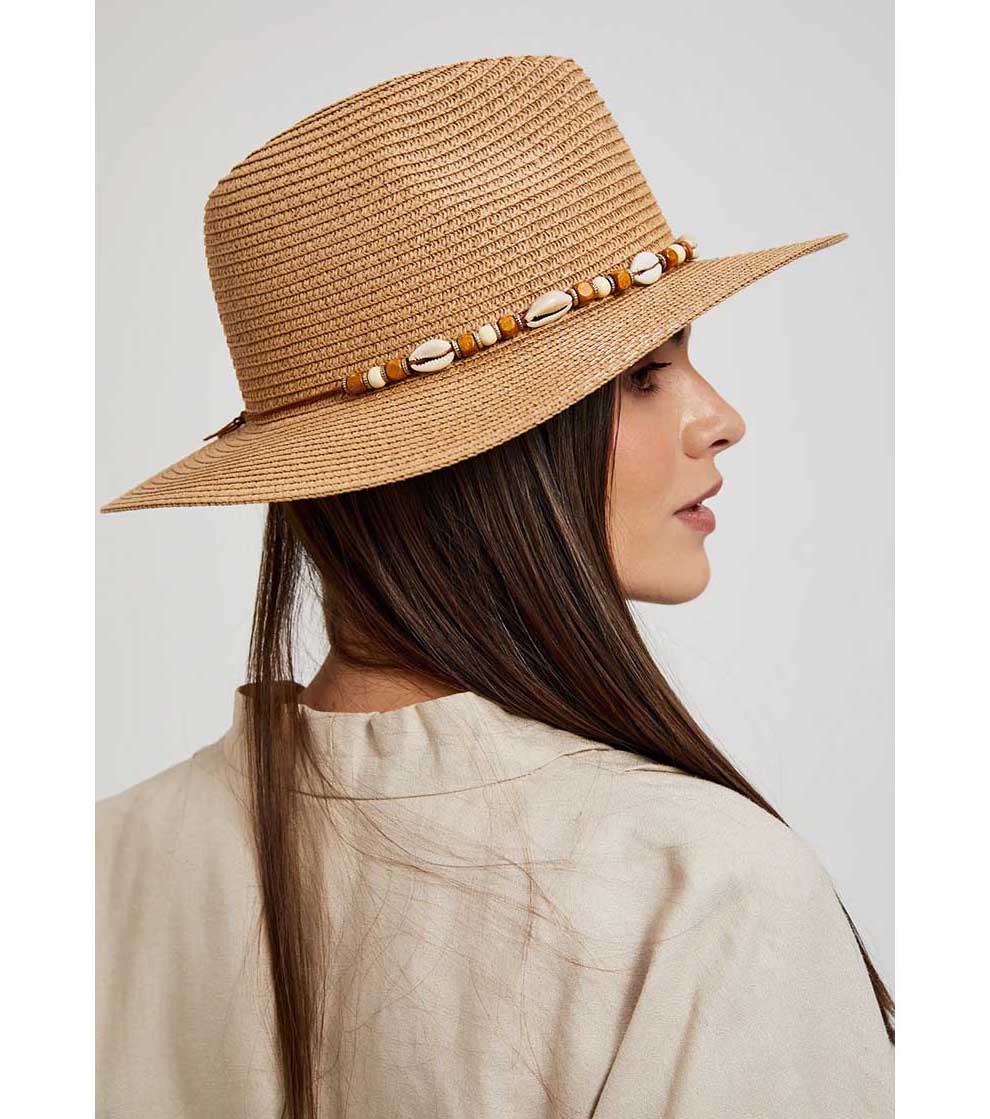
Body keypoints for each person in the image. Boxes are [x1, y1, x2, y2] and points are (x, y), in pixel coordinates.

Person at [97, 55, 893, 1118]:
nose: (720, 418)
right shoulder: (701, 886)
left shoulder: (97, 867)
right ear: (480, 456)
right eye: (643, 376)